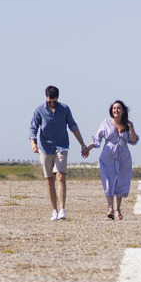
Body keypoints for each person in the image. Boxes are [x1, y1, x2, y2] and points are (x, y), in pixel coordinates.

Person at [29, 86, 85, 221]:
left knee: (60, 176)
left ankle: (62, 209)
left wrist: (83, 145)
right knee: (49, 179)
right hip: (45, 148)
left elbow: (73, 126)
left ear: (58, 99)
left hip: (61, 146)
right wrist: (33, 144)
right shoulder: (39, 110)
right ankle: (54, 210)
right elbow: (33, 129)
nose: (52, 104)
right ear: (46, 98)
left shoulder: (65, 109)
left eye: (54, 101)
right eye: (50, 101)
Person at [83, 100, 138, 220]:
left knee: (121, 181)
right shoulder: (105, 123)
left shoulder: (128, 124)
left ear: (123, 111)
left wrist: (130, 127)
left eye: (118, 108)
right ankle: (110, 208)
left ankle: (118, 210)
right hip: (108, 156)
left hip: (124, 156)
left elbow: (133, 140)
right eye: (114, 108)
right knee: (108, 180)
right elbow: (97, 139)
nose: (116, 110)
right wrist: (88, 148)